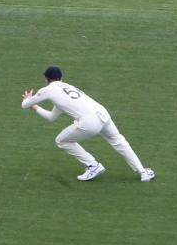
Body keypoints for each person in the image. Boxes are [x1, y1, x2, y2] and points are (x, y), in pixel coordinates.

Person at [21, 66, 155, 182]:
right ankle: (143, 172)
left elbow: (24, 104)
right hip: (102, 114)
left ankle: (93, 165)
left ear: (46, 78)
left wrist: (30, 100)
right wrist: (36, 107)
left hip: (89, 121)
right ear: (61, 77)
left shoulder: (48, 90)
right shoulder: (68, 87)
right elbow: (51, 117)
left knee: (61, 141)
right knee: (119, 141)